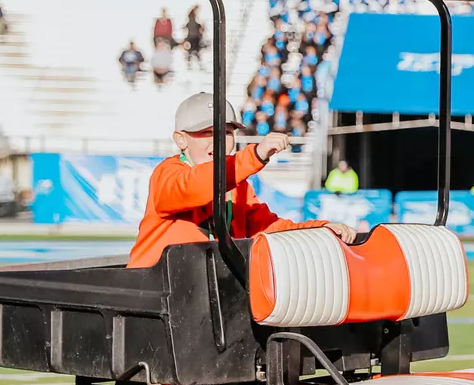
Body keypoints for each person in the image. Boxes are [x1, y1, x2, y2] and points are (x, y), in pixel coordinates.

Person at [128, 93, 354, 268]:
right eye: (207, 133)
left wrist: (321, 230)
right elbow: (195, 185)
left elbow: (271, 229)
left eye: (226, 132)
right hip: (151, 301)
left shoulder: (238, 186)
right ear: (181, 139)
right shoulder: (167, 173)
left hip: (202, 299)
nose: (218, 141)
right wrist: (255, 156)